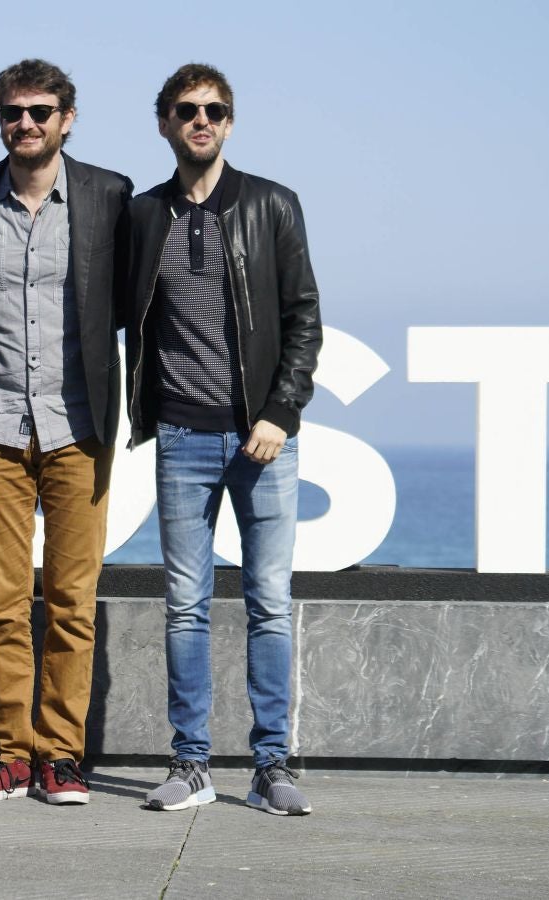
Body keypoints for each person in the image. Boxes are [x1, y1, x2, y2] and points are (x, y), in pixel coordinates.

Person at [125, 64, 323, 816]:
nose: (199, 120)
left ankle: (271, 766)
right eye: (185, 110)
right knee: (185, 605)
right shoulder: (145, 217)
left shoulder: (272, 205)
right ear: (164, 123)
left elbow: (303, 318)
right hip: (180, 437)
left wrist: (279, 412)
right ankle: (192, 765)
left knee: (269, 601)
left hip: (262, 440)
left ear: (229, 123)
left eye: (213, 110)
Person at [0, 59, 132, 805]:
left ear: (68, 118)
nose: (27, 123)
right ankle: (8, 755)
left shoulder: (106, 196)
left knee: (70, 603)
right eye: (13, 112)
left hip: (78, 431)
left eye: (41, 111)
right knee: (1, 603)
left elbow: (136, 305)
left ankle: (60, 758)